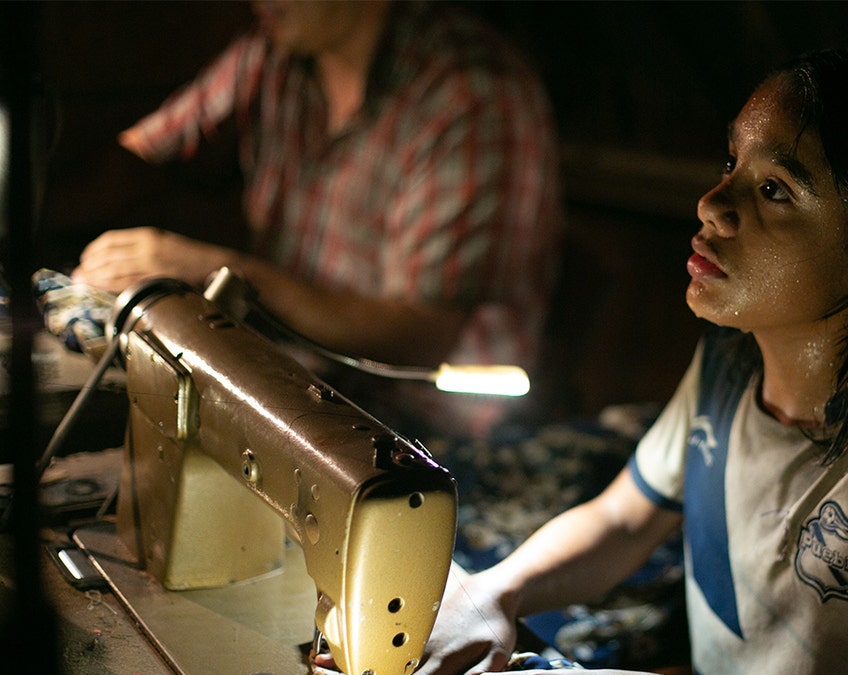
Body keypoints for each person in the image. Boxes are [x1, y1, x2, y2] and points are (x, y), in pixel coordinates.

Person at [403, 51, 848, 675]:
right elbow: (623, 519)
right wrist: (492, 595)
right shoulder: (733, 358)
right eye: (732, 163)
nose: (712, 205)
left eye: (774, 190)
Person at [69, 0, 561, 440]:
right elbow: (142, 154)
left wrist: (216, 267)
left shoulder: (473, 95)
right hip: (298, 395)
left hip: (435, 435)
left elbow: (417, 338)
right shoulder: (274, 50)